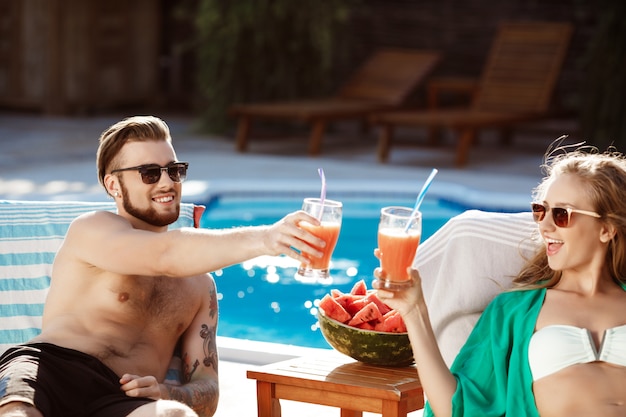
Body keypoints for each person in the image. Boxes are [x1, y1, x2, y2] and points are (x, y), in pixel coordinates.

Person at [0, 115, 326, 417]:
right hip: (51, 369)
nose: (167, 183)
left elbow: (207, 389)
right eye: (149, 173)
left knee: (175, 415)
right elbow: (164, 257)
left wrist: (167, 391)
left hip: (121, 396)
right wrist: (268, 239)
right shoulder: (92, 229)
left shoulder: (200, 288)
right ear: (113, 185)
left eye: (174, 170)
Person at [375, 146, 626, 416]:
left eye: (562, 214)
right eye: (541, 211)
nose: (545, 226)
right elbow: (456, 408)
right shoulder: (513, 311)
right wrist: (415, 311)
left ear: (607, 229)